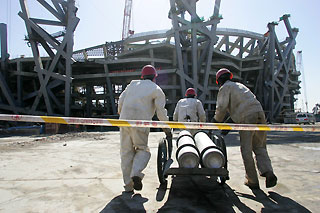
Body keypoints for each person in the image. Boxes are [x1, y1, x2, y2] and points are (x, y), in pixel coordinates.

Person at [212, 68, 277, 189]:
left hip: (247, 117)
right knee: (259, 147)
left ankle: (252, 180)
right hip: (259, 113)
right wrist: (227, 126)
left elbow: (221, 107)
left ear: (219, 81)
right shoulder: (239, 86)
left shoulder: (225, 88)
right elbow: (240, 109)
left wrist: (215, 121)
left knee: (246, 150)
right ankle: (268, 172)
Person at [118, 65, 172, 193]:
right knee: (143, 150)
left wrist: (121, 115)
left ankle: (128, 186)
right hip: (140, 122)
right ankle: (136, 173)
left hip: (124, 121)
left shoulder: (132, 85)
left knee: (126, 153)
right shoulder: (156, 89)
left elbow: (121, 100)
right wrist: (167, 129)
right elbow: (161, 113)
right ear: (154, 77)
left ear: (142, 76)